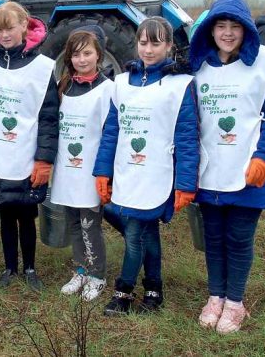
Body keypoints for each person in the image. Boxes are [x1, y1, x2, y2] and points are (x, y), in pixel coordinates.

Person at [189, 0, 265, 333]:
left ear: (246, 29)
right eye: (221, 26)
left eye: (235, 26)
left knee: (238, 237)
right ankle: (215, 296)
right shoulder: (199, 65)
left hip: (248, 168)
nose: (228, 33)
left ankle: (234, 301)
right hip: (209, 169)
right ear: (210, 29)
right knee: (214, 236)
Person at [93, 17, 199, 315]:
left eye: (156, 43)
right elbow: (112, 130)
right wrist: (102, 171)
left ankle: (123, 292)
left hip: (157, 173)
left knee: (135, 232)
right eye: (143, 43)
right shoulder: (121, 83)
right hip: (127, 173)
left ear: (169, 45)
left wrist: (186, 183)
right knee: (146, 231)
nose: (148, 49)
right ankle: (154, 289)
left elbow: (187, 137)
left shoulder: (181, 85)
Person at [0, 1, 59, 292]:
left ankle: (30, 267)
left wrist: (44, 159)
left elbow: (49, 117)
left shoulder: (42, 68)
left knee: (26, 214)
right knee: (6, 212)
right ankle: (9, 266)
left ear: (24, 25)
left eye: (10, 27)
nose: (5, 34)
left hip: (27, 154)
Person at [53, 27, 113, 302]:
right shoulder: (64, 86)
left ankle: (97, 275)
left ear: (98, 55)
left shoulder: (107, 89)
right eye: (76, 54)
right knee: (73, 224)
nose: (82, 59)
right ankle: (80, 270)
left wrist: (104, 173)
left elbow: (109, 134)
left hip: (89, 171)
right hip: (67, 170)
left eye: (87, 53)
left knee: (90, 224)